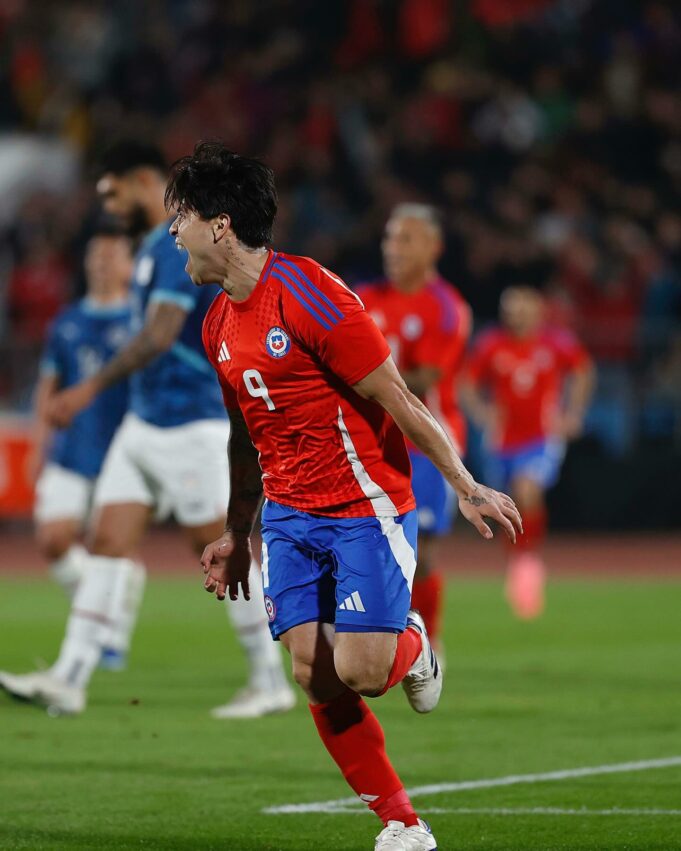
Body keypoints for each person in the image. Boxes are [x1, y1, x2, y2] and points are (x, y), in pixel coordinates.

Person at [166, 141, 521, 851]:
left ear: (220, 225)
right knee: (313, 674)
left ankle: (413, 643)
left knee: (362, 671)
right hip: (288, 515)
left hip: (364, 505)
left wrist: (464, 482)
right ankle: (403, 823)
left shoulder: (308, 293)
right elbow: (245, 438)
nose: (173, 232)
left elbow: (399, 396)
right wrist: (237, 533)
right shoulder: (215, 324)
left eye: (182, 218)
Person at [0, 141, 294, 719]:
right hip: (143, 422)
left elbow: (159, 335)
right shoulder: (150, 247)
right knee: (108, 543)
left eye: (113, 193)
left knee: (220, 548)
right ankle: (70, 677)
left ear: (141, 182)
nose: (108, 206)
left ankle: (269, 679)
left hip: (188, 425)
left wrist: (88, 388)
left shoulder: (173, 245)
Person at [357, 204, 471, 653]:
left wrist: (359, 374)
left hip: (424, 443)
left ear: (433, 247)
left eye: (406, 239)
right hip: (367, 440)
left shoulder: (446, 307)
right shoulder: (364, 297)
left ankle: (429, 643)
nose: (393, 248)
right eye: (389, 238)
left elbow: (424, 379)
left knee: (420, 552)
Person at [461, 286, 594, 618]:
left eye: (522, 310)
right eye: (511, 311)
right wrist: (481, 411)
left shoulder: (556, 343)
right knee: (509, 504)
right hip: (501, 441)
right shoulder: (491, 344)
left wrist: (574, 412)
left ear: (538, 312)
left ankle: (528, 561)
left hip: (541, 439)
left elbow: (583, 370)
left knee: (527, 488)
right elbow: (467, 382)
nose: (516, 317)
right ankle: (517, 562)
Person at [32, 221, 132, 615]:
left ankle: (103, 623)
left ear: (128, 264)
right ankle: (101, 604)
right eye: (97, 255)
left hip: (122, 452)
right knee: (52, 538)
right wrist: (40, 442)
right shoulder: (67, 321)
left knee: (109, 545)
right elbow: (48, 388)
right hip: (72, 448)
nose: (102, 263)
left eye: (112, 255)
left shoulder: (142, 322)